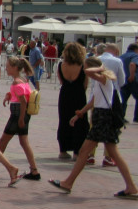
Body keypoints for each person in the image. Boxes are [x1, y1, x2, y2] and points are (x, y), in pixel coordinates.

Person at [50, 57, 138, 198]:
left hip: (103, 118)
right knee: (111, 152)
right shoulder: (100, 82)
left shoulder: (104, 78)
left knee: (85, 151)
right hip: (101, 117)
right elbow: (94, 100)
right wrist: (80, 114)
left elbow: (88, 72)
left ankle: (68, 182)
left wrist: (100, 68)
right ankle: (131, 186)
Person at [0, 56, 40, 184]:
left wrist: (21, 118)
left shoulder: (17, 81)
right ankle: (34, 170)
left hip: (18, 114)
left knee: (3, 141)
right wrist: (9, 95)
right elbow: (22, 94)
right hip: (23, 113)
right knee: (24, 142)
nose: (6, 68)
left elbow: (23, 101)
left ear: (15, 68)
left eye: (8, 66)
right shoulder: (23, 80)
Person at [56, 42, 90, 161]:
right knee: (80, 123)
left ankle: (63, 150)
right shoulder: (83, 66)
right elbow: (85, 84)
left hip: (65, 94)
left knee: (64, 121)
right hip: (79, 95)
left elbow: (61, 81)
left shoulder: (61, 65)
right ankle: (77, 152)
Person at [121, 42, 138, 123]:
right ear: (136, 50)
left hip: (123, 81)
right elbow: (132, 64)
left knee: (123, 99)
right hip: (133, 80)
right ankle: (137, 117)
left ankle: (121, 116)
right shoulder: (135, 55)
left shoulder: (122, 56)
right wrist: (131, 75)